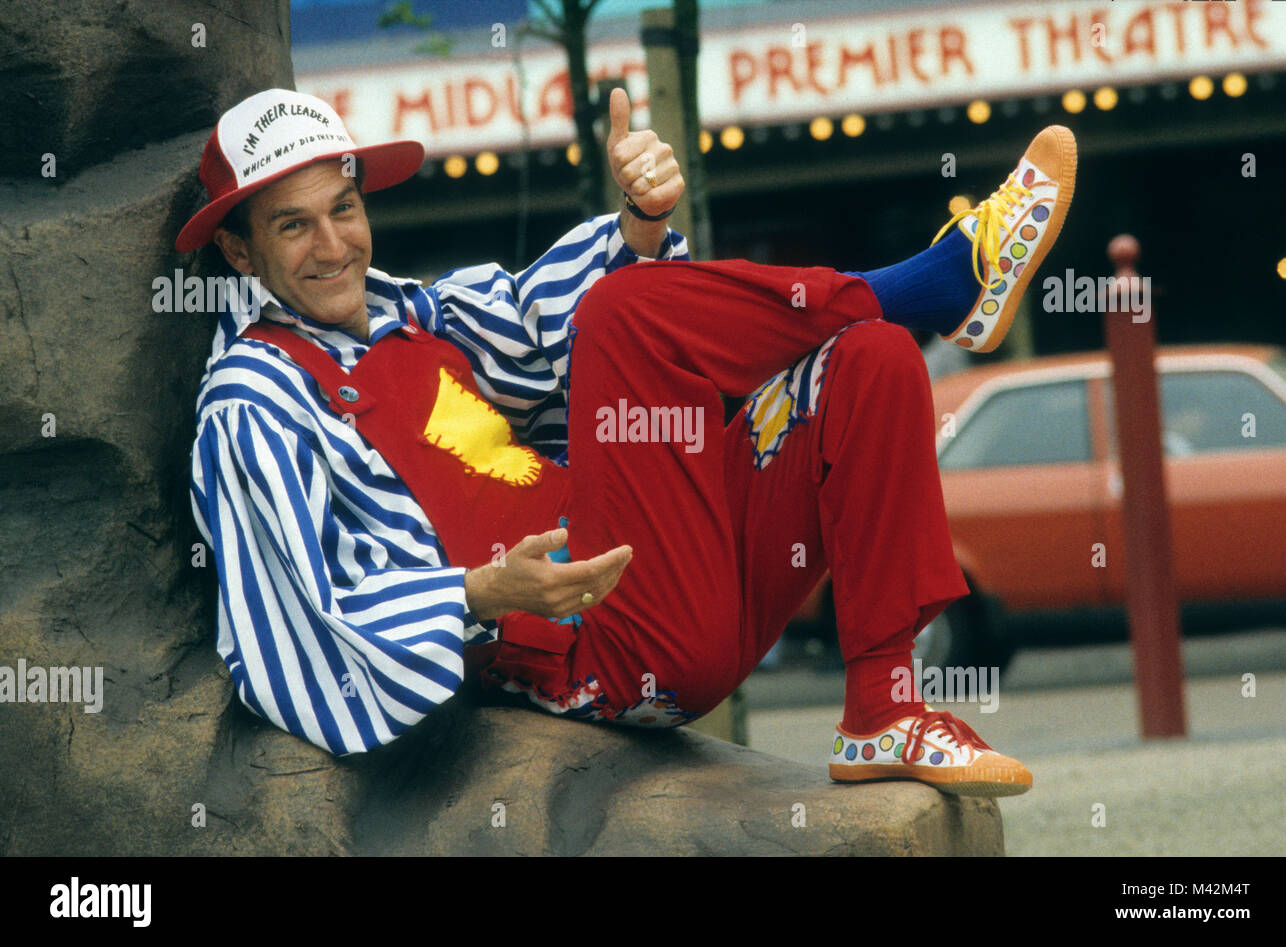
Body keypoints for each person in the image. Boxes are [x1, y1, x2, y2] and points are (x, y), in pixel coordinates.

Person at [181, 87, 1075, 797]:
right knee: (623, 312)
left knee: (871, 361)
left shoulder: (413, 313)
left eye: (343, 207)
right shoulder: (251, 399)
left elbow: (539, 319)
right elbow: (296, 626)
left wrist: (640, 223)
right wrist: (482, 592)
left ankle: (883, 702)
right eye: (293, 224)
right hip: (599, 641)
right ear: (239, 251)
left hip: (682, 571)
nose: (334, 244)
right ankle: (935, 285)